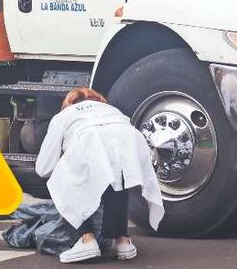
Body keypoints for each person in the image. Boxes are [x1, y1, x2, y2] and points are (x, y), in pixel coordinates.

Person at [35, 87, 163, 264]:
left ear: (68, 103)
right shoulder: (112, 111)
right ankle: (122, 241)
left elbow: (43, 168)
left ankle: (85, 239)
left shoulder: (63, 116)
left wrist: (66, 163)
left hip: (87, 139)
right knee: (118, 176)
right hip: (128, 140)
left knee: (66, 177)